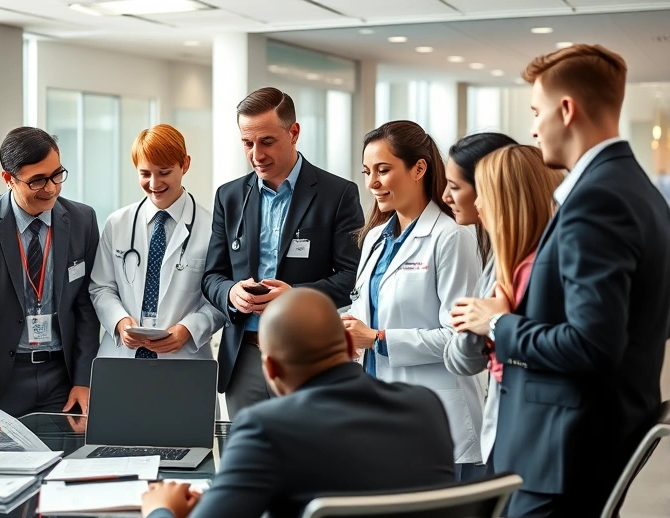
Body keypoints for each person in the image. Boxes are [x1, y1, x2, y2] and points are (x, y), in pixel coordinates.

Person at [451, 44, 670, 518]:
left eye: (535, 113)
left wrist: (497, 323)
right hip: (571, 443)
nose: (534, 129)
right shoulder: (632, 188)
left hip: (563, 452)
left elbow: (592, 344)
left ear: (566, 110)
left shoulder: (601, 198)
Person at [138, 288, 455, 518]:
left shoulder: (266, 430)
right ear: (349, 345)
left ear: (271, 370)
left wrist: (158, 512)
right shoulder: (425, 407)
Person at [202, 87, 364, 417]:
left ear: (294, 133)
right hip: (244, 357)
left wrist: (295, 298)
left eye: (267, 141)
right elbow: (211, 276)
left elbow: (352, 276)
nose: (256, 154)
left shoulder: (338, 194)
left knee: (308, 460)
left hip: (309, 356)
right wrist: (231, 292)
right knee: (250, 460)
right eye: (247, 143)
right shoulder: (229, 197)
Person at [342, 120, 484, 480]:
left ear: (419, 168)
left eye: (383, 170)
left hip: (437, 417)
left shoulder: (452, 238)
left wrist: (376, 339)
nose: (372, 183)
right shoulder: (375, 238)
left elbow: (459, 339)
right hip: (379, 409)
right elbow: (364, 311)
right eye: (367, 172)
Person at [0, 127, 101, 417]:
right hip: (1, 379)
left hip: (61, 378)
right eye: (38, 180)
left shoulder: (83, 220)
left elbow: (85, 307)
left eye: (57, 175)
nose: (51, 188)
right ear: (8, 179)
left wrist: (83, 380)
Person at [90, 124, 223, 360]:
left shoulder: (211, 228)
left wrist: (189, 329)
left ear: (185, 164)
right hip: (122, 356)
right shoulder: (117, 223)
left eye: (164, 172)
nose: (154, 183)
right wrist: (119, 321)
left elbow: (220, 297)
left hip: (183, 359)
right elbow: (101, 287)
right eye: (145, 173)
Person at [441, 131, 517, 469]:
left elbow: (465, 352)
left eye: (455, 187)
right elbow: (463, 353)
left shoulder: (512, 262)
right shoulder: (494, 254)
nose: (445, 196)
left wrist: (493, 323)